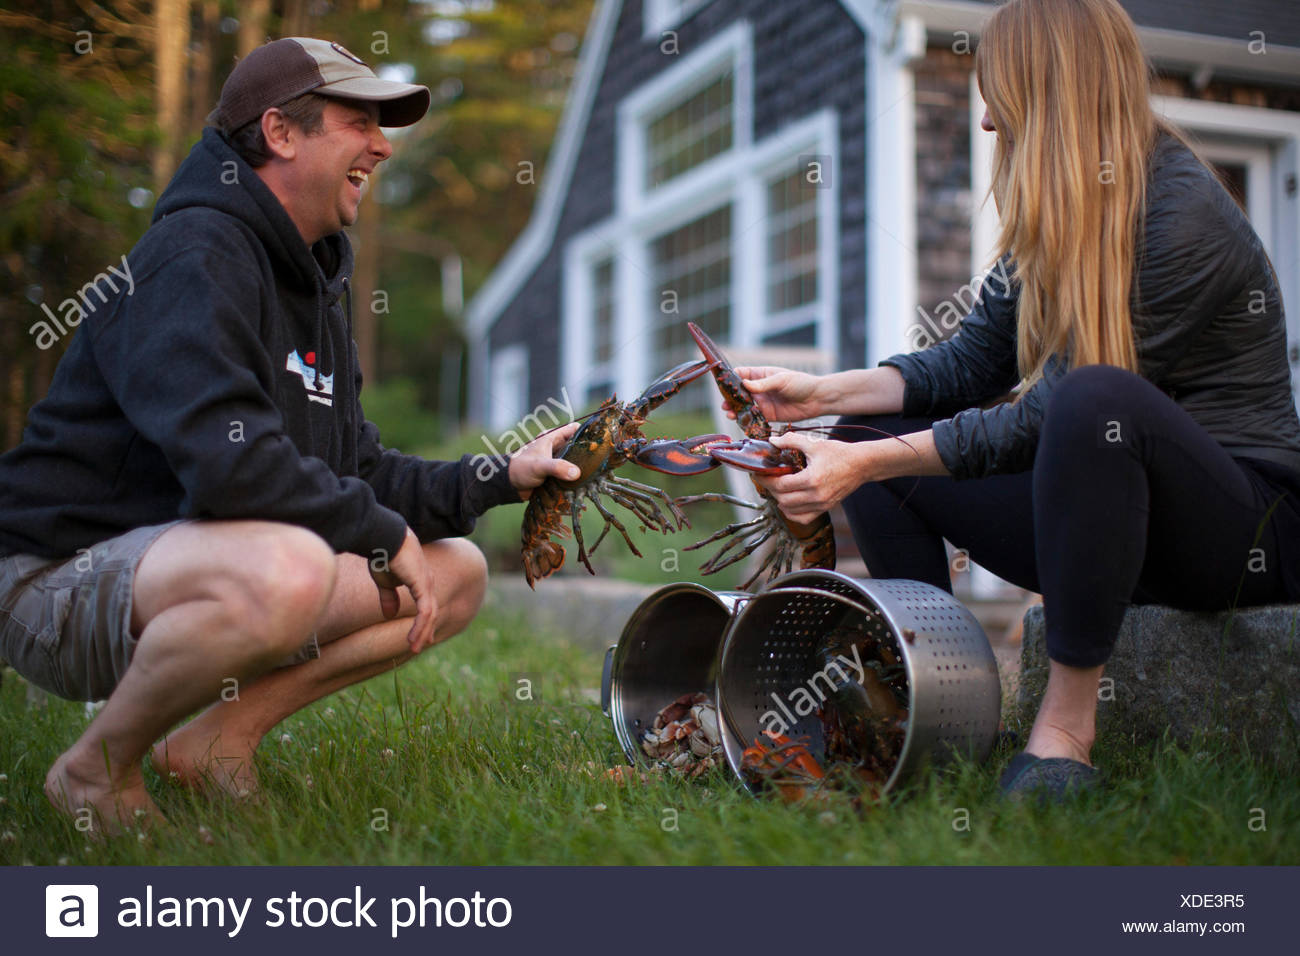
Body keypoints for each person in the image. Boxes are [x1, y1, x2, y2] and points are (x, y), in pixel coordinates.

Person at [0, 37, 581, 834]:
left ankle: (215, 743)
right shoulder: (192, 254)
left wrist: (499, 478)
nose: (382, 145)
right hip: (51, 582)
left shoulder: (312, 281)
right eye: (359, 122)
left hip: (170, 566)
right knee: (290, 566)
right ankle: (91, 773)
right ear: (280, 132)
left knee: (457, 570)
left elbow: (357, 467)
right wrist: (375, 531)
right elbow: (229, 467)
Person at [727, 0, 1300, 798]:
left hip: (1238, 531)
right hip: (1111, 525)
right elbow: (964, 366)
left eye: (999, 94)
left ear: (1049, 93)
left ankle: (1064, 736)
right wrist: (820, 396)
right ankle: (929, 699)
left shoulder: (1182, 217)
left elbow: (1052, 415)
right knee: (869, 426)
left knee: (1097, 401)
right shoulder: (1061, 217)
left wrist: (860, 464)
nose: (989, 121)